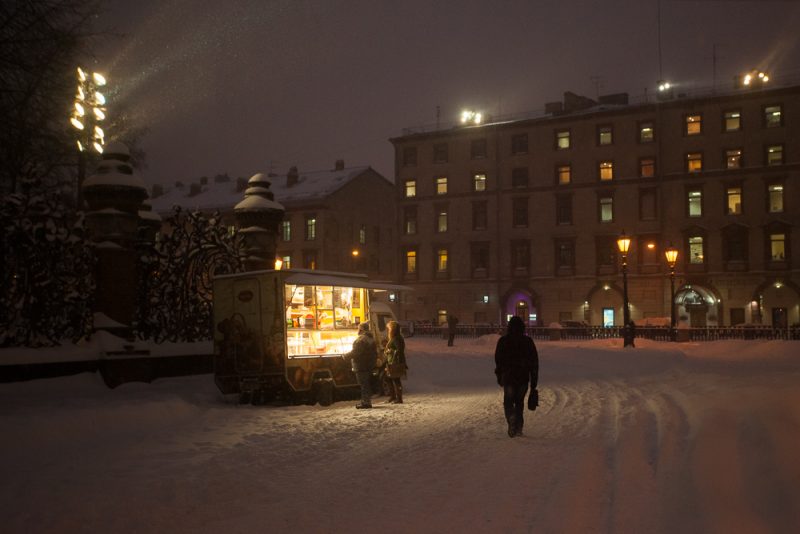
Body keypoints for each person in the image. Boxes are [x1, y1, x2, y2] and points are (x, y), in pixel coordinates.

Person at [494, 316, 539, 437]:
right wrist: (534, 382)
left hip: (508, 376)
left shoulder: (503, 341)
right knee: (519, 402)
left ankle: (511, 418)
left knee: (508, 401)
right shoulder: (528, 342)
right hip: (523, 378)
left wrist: (499, 375)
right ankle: (518, 427)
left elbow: (498, 360)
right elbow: (534, 362)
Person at [344, 321, 377, 409]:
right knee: (366, 383)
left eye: (358, 328)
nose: (357, 330)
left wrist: (346, 356)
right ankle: (366, 401)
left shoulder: (361, 340)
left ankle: (366, 402)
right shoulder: (370, 339)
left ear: (361, 329)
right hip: (368, 365)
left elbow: (356, 352)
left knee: (363, 384)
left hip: (361, 365)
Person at [383, 320, 408, 403]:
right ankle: (393, 396)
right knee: (389, 378)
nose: (388, 330)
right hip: (391, 361)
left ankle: (398, 398)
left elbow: (399, 350)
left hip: (395, 362)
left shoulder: (397, 338)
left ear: (393, 329)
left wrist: (390, 351)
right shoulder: (394, 337)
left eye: (389, 328)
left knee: (395, 379)